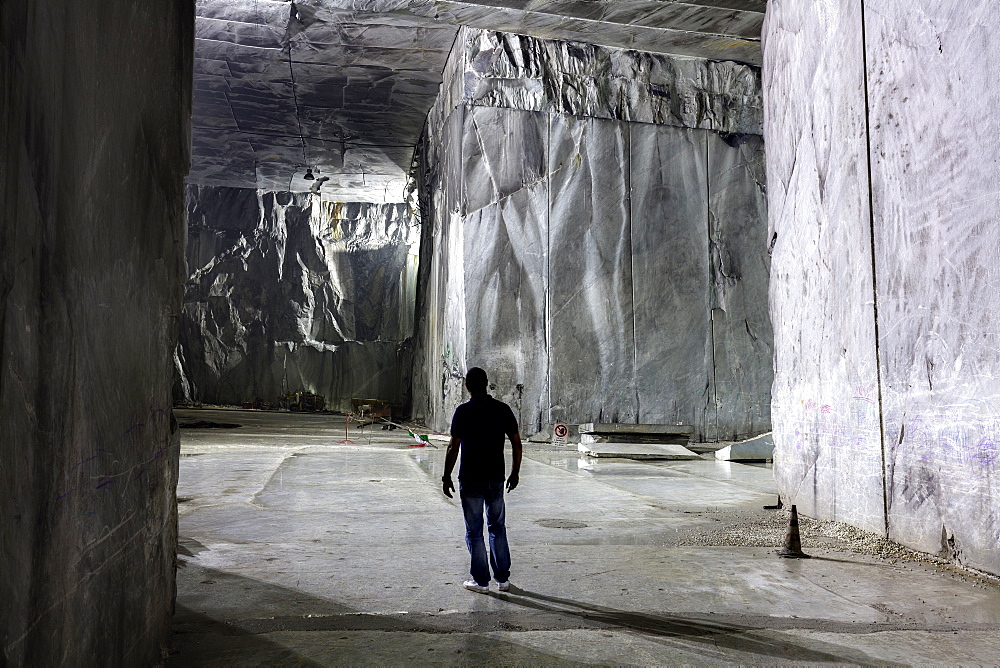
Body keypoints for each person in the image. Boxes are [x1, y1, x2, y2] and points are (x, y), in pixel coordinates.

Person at [441, 367, 523, 593]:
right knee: (497, 527)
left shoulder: (463, 412)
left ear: (467, 386)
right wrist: (515, 472)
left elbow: (453, 446)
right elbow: (517, 443)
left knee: (474, 531)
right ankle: (503, 580)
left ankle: (480, 581)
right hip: (496, 478)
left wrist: (446, 476)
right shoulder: (502, 410)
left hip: (470, 479)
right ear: (487, 383)